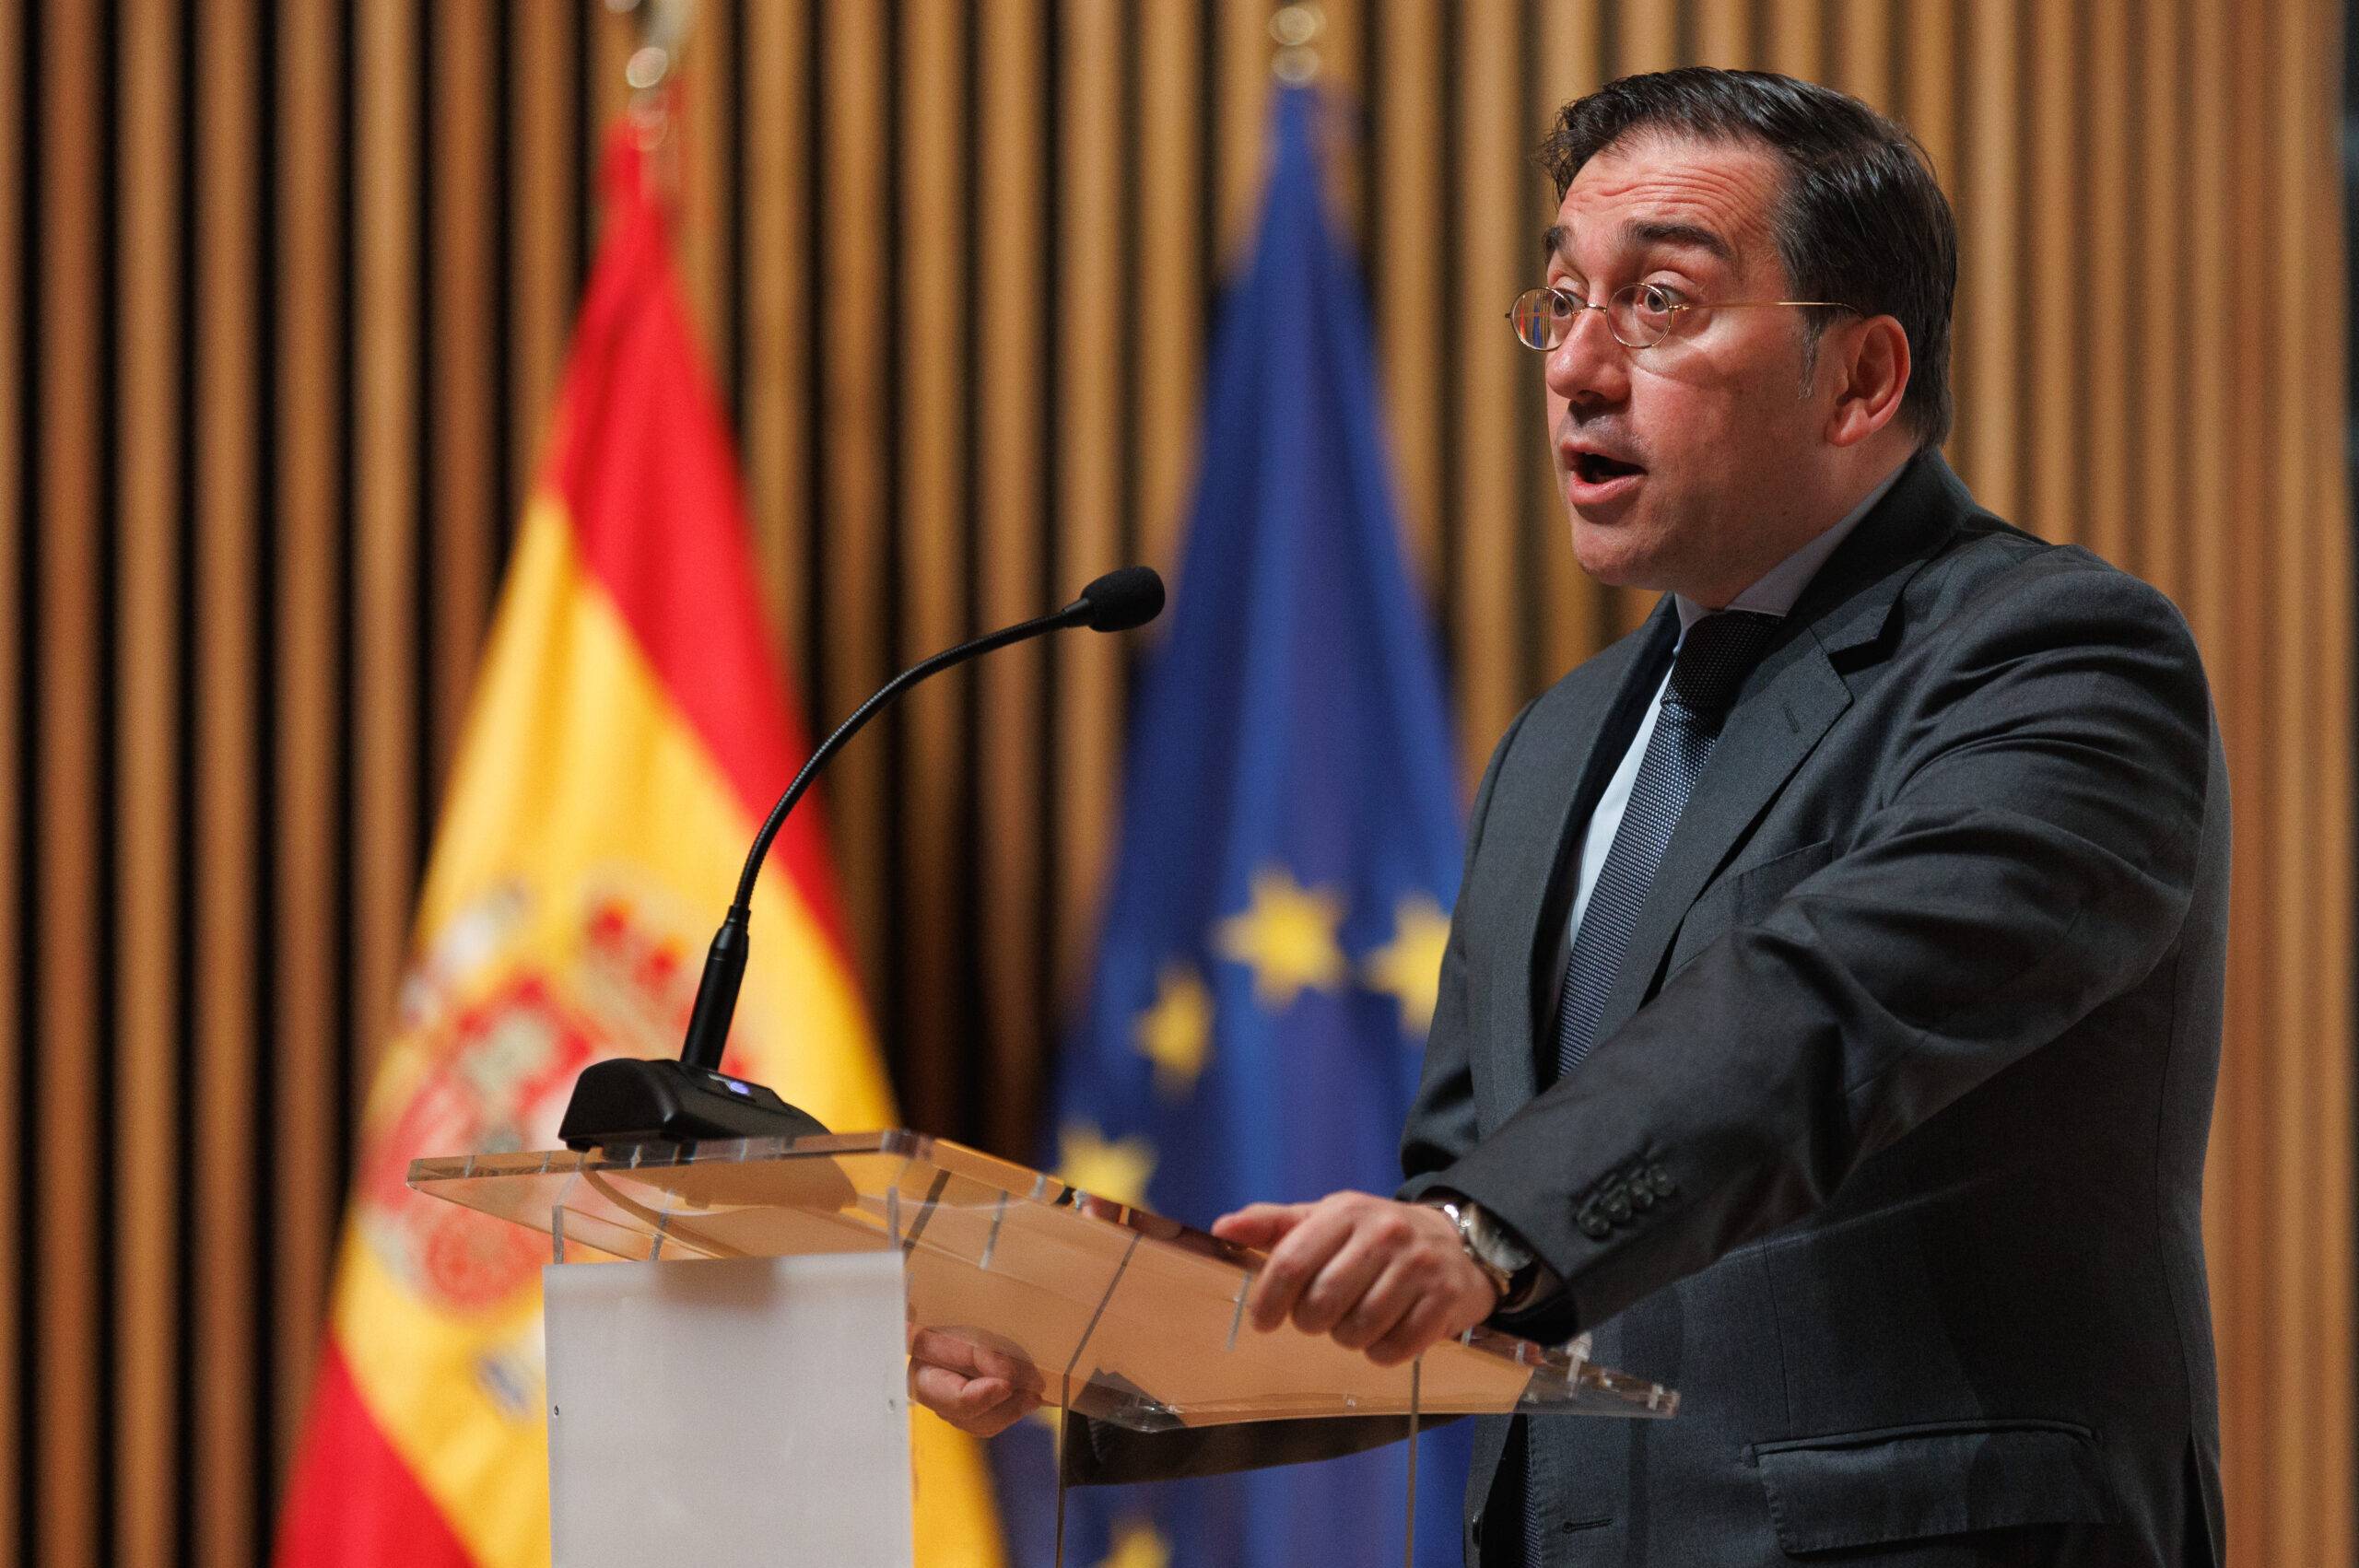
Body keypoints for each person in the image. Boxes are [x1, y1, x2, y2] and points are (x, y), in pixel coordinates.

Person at [913, 67, 2226, 1567]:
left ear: (1862, 377)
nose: (1577, 365)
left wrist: (1481, 1235)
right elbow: (1455, 1254)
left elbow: (1825, 1013)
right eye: (1560, 299)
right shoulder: (1558, 744)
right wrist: (1093, 1345)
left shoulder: (2059, 658)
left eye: (1661, 301)